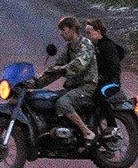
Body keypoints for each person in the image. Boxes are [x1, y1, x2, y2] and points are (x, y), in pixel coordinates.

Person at [36, 15, 99, 146]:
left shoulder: (85, 44)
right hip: (72, 88)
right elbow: (57, 68)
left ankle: (87, 132)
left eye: (63, 30)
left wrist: (63, 69)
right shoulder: (69, 48)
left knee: (63, 103)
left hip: (86, 87)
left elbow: (80, 63)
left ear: (72, 29)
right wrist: (35, 83)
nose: (61, 34)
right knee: (48, 99)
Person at [85, 17, 125, 133]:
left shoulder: (108, 46)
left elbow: (112, 68)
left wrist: (99, 79)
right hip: (101, 80)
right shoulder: (95, 46)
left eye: (89, 32)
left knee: (98, 93)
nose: (87, 36)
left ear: (98, 32)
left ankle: (112, 125)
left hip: (112, 82)